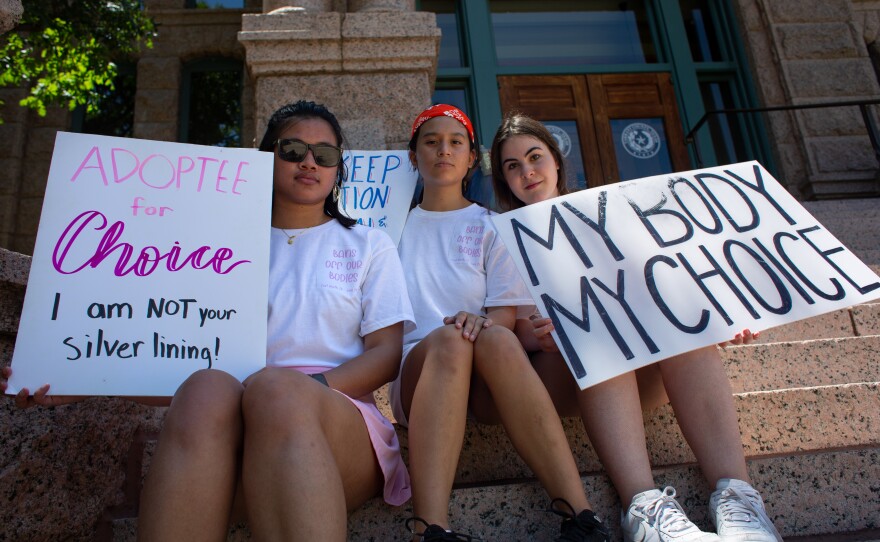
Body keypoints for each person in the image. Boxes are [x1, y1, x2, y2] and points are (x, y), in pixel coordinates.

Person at [2, 100, 415, 542]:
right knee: (203, 387)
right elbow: (174, 356)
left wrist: (304, 388)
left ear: (338, 168)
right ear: (266, 157)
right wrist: (81, 378)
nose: (309, 162)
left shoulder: (368, 244)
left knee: (275, 389)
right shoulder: (213, 247)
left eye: (325, 154)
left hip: (338, 424)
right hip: (234, 432)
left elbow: (386, 353)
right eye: (293, 150)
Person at [489, 111, 783, 542]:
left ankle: (739, 500)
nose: (527, 172)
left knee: (685, 331)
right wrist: (548, 331)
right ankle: (644, 508)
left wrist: (718, 317)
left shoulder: (609, 213)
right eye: (512, 167)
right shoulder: (501, 235)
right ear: (503, 181)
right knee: (597, 330)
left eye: (534, 157)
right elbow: (511, 328)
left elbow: (662, 289)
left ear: (556, 160)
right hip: (565, 375)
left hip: (640, 369)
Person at [390, 104, 610, 542]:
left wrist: (482, 321)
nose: (443, 151)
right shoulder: (390, 227)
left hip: (485, 380)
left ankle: (581, 518)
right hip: (417, 374)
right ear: (413, 156)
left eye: (456, 143)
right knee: (453, 342)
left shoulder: (494, 226)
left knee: (497, 338)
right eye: (430, 142)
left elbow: (505, 318)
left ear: (472, 158)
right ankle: (429, 528)